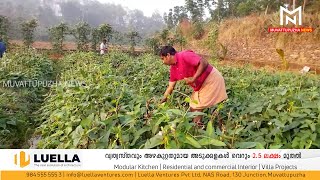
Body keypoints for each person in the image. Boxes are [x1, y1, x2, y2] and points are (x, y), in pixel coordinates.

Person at [159, 46, 228, 128]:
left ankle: (198, 128)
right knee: (192, 106)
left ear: (168, 55)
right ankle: (198, 126)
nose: (162, 62)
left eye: (162, 58)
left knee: (197, 106)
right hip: (201, 84)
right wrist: (163, 100)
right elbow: (170, 87)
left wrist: (194, 78)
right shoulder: (173, 68)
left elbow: (204, 62)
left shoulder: (184, 55)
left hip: (210, 79)